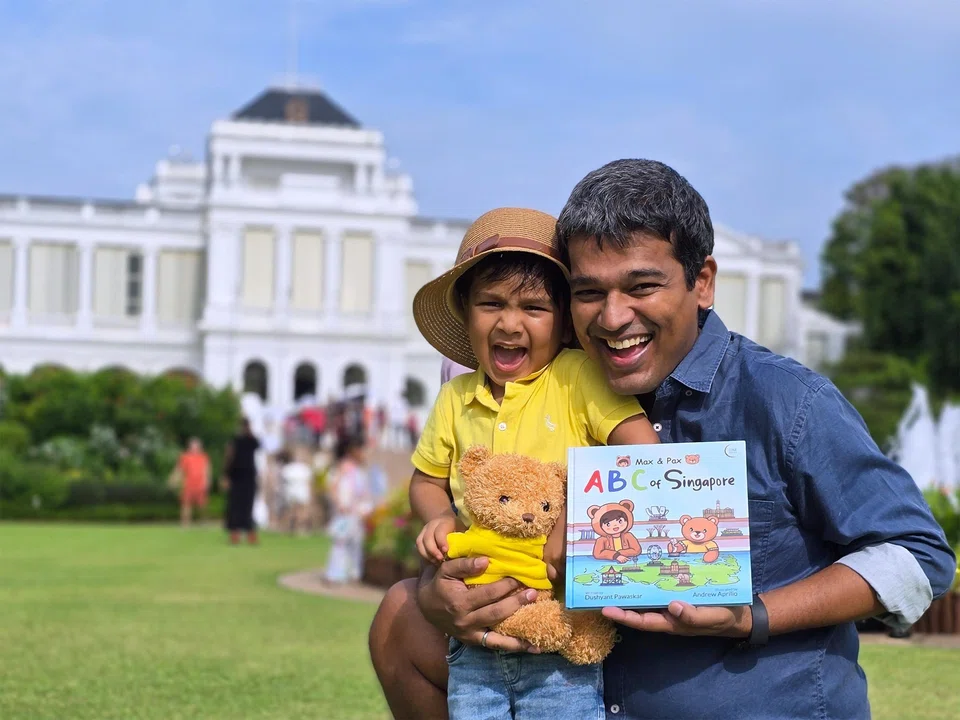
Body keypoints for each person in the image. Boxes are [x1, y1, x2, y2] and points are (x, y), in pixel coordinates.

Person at [368, 161, 958, 720]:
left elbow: (919, 556)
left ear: (702, 282)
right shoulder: (557, 388)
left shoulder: (784, 400)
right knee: (400, 613)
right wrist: (441, 593)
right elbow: (465, 517)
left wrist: (753, 615)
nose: (613, 317)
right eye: (589, 292)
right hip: (582, 686)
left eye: (642, 286)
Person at [399, 207, 661, 719]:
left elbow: (642, 450)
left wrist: (576, 523)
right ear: (465, 313)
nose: (509, 323)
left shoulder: (575, 375)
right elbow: (426, 480)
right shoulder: (456, 396)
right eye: (490, 303)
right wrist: (439, 516)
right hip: (475, 631)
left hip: (562, 629)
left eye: (534, 308)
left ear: (564, 320)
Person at [325, 435, 374, 583]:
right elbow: (333, 487)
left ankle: (353, 572)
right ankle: (335, 574)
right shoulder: (343, 468)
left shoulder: (359, 470)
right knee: (340, 542)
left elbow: (364, 491)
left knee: (356, 543)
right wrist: (340, 503)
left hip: (356, 512)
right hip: (344, 512)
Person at [222, 417, 261, 545]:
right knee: (235, 506)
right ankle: (235, 534)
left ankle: (250, 533)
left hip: (248, 477)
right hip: (237, 477)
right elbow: (229, 457)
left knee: (247, 506)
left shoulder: (251, 441)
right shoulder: (235, 441)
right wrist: (226, 475)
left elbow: (257, 445)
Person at [177, 437, 210, 527]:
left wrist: (207, 481)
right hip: (188, 484)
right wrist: (177, 480)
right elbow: (180, 469)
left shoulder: (204, 456)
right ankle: (185, 523)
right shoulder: (185, 456)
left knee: (202, 506)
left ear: (200, 446)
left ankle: (203, 522)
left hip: (200, 484)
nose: (195, 447)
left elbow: (206, 470)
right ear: (189, 446)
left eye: (196, 445)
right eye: (193, 445)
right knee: (186, 504)